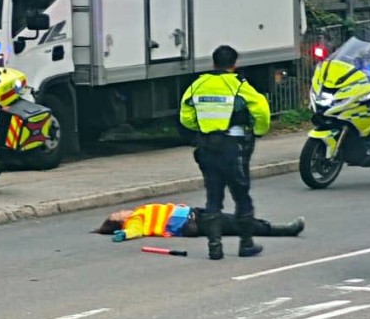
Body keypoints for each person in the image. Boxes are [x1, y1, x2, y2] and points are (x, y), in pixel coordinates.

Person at [179, 44, 271, 260]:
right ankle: (246, 244)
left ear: (213, 63)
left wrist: (202, 128)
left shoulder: (198, 84)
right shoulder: (238, 84)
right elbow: (261, 110)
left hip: (207, 147)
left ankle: (215, 247)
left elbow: (185, 115)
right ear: (234, 64)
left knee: (213, 197)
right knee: (241, 196)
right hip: (233, 147)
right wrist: (258, 131)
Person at [94, 202, 304, 240]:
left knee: (236, 221)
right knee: (237, 224)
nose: (121, 211)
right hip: (194, 223)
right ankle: (284, 230)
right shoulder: (134, 220)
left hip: (195, 215)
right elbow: (135, 230)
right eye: (117, 215)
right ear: (120, 222)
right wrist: (123, 234)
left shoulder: (139, 212)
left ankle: (271, 227)